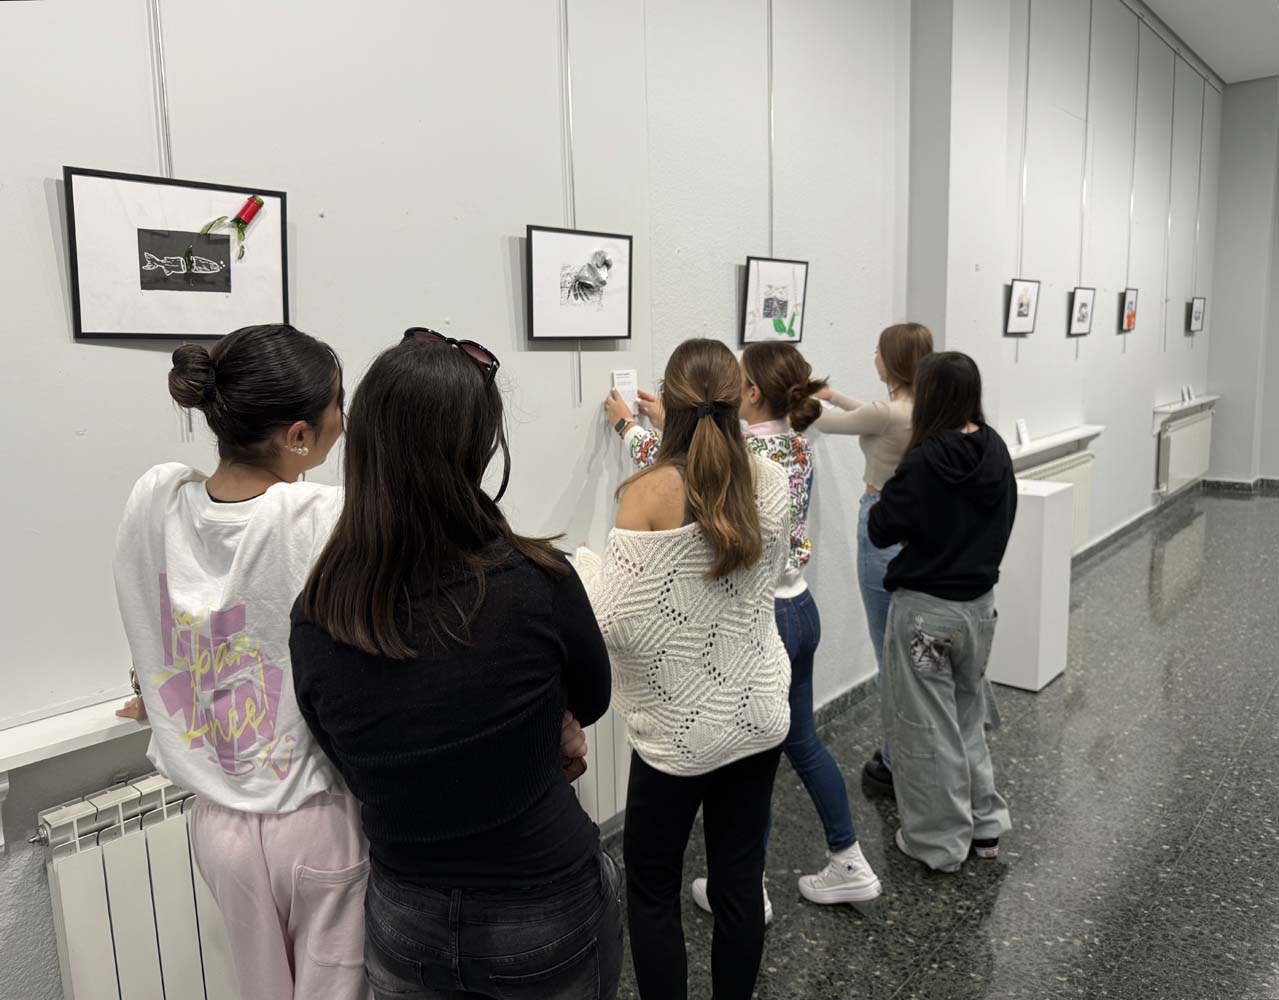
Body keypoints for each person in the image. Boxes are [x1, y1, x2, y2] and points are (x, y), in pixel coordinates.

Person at [290, 329, 622, 1000]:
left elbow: (347, 755)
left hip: (403, 920)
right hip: (541, 904)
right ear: (477, 448)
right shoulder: (538, 582)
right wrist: (545, 725)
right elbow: (591, 697)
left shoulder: (319, 614)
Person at [112, 324, 371, 1000]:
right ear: (297, 436)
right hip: (313, 813)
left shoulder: (156, 501)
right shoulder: (317, 514)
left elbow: (159, 612)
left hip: (214, 820)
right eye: (337, 405)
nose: (344, 420)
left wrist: (156, 682)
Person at [605, 342, 881, 913]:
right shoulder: (796, 447)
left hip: (764, 613)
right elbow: (707, 454)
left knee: (746, 740)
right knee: (799, 742)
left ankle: (747, 885)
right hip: (801, 604)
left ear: (750, 394)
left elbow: (683, 475)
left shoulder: (751, 460)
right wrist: (675, 420)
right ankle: (846, 854)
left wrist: (631, 428)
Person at [580, 338, 791, 1000]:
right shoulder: (770, 478)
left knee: (651, 889)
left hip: (677, 737)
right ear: (739, 401)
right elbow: (737, 578)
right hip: (756, 716)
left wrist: (582, 566)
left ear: (667, 403)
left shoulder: (648, 492)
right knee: (737, 882)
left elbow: (616, 619)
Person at [867, 351, 1016, 873]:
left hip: (927, 617)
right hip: (979, 611)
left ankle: (938, 842)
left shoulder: (925, 459)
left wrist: (886, 492)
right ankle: (986, 826)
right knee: (968, 716)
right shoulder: (995, 448)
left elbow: (882, 527)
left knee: (928, 726)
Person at [812, 322, 933, 798]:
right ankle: (908, 750)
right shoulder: (922, 407)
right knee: (903, 647)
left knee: (887, 651)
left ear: (894, 361)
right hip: (913, 530)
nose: (873, 357)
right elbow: (866, 413)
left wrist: (792, 395)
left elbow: (824, 422)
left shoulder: (890, 412)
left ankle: (895, 757)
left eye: (879, 351)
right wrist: (834, 393)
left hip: (881, 525)